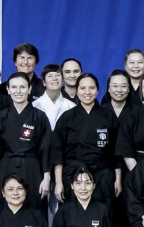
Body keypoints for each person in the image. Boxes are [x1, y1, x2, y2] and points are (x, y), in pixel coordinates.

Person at [0, 73, 54, 202]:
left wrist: (46, 178)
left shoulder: (40, 117)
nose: (18, 91)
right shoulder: (0, 117)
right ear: (8, 90)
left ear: (29, 89)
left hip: (32, 168)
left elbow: (47, 149)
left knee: (33, 205)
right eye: (14, 87)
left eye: (22, 87)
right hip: (5, 167)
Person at [51, 73, 121, 201]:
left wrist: (118, 179)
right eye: (82, 88)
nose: (87, 92)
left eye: (92, 88)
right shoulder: (67, 117)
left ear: (98, 90)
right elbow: (57, 151)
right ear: (77, 91)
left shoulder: (108, 116)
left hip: (102, 174)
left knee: (104, 211)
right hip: (73, 175)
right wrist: (59, 182)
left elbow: (117, 150)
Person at [32, 63, 76, 128]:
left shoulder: (72, 106)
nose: (54, 78)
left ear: (62, 81)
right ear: (44, 82)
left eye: (58, 75)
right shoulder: (35, 105)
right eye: (50, 76)